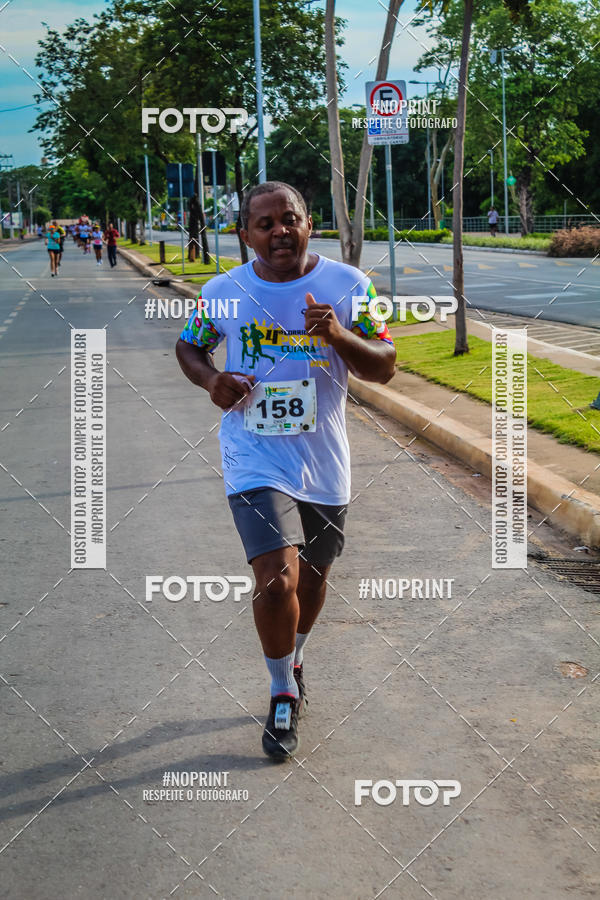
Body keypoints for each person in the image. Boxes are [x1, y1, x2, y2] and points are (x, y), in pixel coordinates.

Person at [176, 181, 396, 761]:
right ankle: (280, 691)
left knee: (316, 576)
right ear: (244, 234)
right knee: (277, 580)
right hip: (254, 454)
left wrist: (339, 334)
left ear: (308, 223)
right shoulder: (224, 291)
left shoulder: (348, 286)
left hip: (324, 458)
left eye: (290, 219)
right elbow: (190, 347)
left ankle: (293, 655)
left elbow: (386, 367)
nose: (280, 231)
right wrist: (211, 380)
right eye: (266, 223)